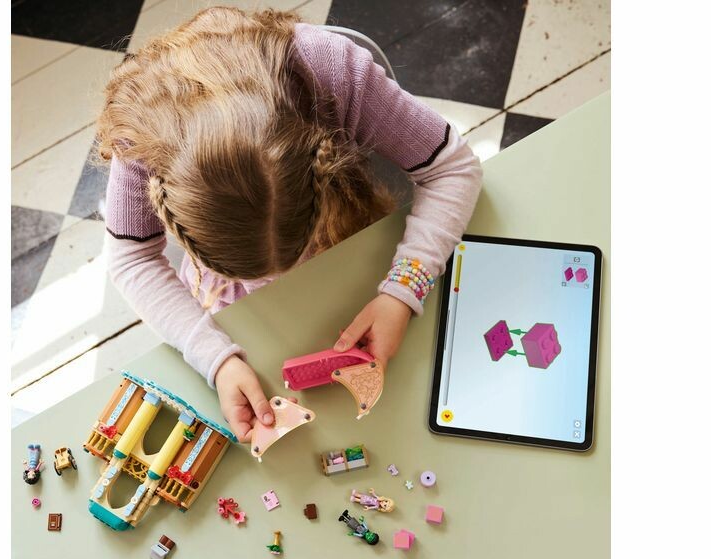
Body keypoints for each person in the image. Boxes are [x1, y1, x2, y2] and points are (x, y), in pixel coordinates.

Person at [96, 7, 482, 442]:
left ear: (323, 167)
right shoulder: (140, 132)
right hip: (233, 311)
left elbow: (452, 167)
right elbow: (131, 259)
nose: (274, 281)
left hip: (357, 253)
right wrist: (215, 359)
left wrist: (403, 289)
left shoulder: (330, 71)